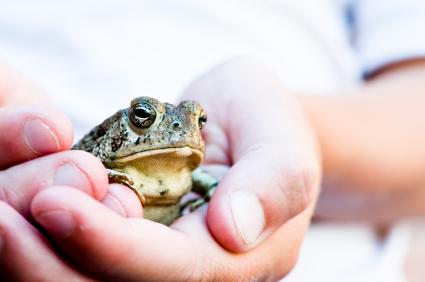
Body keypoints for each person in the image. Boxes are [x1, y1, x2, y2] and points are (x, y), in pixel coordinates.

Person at [0, 0, 424, 281]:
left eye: (197, 122)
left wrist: (270, 160)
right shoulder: (98, 159)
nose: (184, 133)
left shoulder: (196, 170)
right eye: (146, 119)